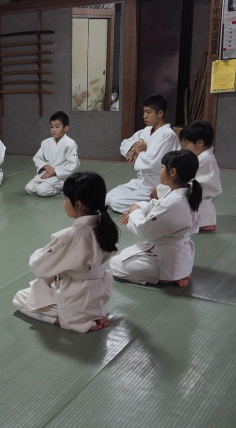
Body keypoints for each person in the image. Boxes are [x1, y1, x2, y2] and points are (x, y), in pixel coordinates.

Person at [13, 172, 119, 332]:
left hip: (77, 296)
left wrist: (39, 252)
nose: (64, 202)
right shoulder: (107, 227)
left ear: (78, 204)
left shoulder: (70, 236)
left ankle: (66, 321)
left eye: (65, 198)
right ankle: (94, 313)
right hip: (99, 295)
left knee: (20, 298)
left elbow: (38, 267)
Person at [110, 149, 202, 287]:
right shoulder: (188, 191)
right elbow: (157, 206)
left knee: (116, 264)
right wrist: (140, 207)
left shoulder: (175, 202)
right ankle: (178, 272)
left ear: (173, 172)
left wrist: (135, 212)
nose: (160, 171)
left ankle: (167, 277)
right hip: (177, 252)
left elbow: (145, 230)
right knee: (126, 253)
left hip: (169, 257)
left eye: (162, 167)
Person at [105, 94, 179, 213]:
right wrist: (134, 149)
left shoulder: (168, 135)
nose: (144, 116)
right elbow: (125, 144)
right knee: (108, 197)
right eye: (144, 112)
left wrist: (140, 152)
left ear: (160, 113)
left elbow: (153, 163)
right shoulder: (146, 131)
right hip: (142, 181)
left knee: (116, 202)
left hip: (157, 183)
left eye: (148, 112)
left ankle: (156, 204)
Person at [24, 110, 79, 197]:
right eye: (51, 127)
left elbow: (73, 164)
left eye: (57, 127)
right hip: (46, 173)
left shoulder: (70, 144)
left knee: (41, 191)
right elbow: (37, 158)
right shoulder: (45, 142)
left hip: (60, 176)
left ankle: (61, 188)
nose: (54, 130)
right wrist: (46, 166)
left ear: (65, 128)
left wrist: (54, 171)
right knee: (29, 188)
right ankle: (45, 185)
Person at [180, 120, 222, 231]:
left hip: (200, 201)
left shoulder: (205, 160)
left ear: (199, 143)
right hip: (201, 202)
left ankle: (203, 223)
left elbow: (200, 185)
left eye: (188, 143)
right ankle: (204, 222)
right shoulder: (202, 158)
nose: (186, 147)